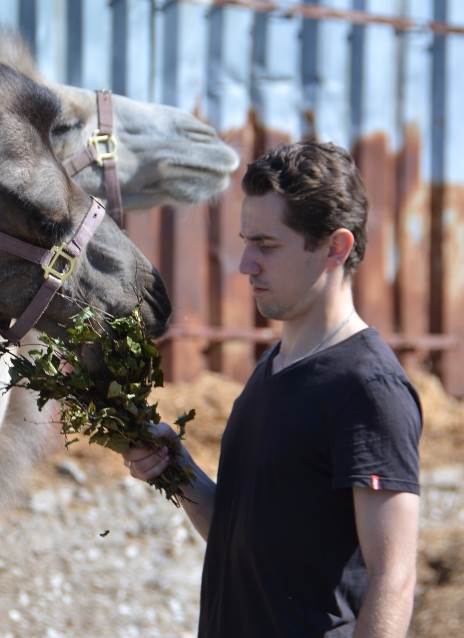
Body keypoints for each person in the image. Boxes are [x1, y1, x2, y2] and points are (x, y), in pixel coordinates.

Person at [124, 141, 422, 637]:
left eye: (266, 244)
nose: (245, 264)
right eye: (246, 241)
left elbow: (394, 578)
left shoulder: (369, 389)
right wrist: (176, 469)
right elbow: (239, 537)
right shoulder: (275, 368)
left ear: (336, 248)